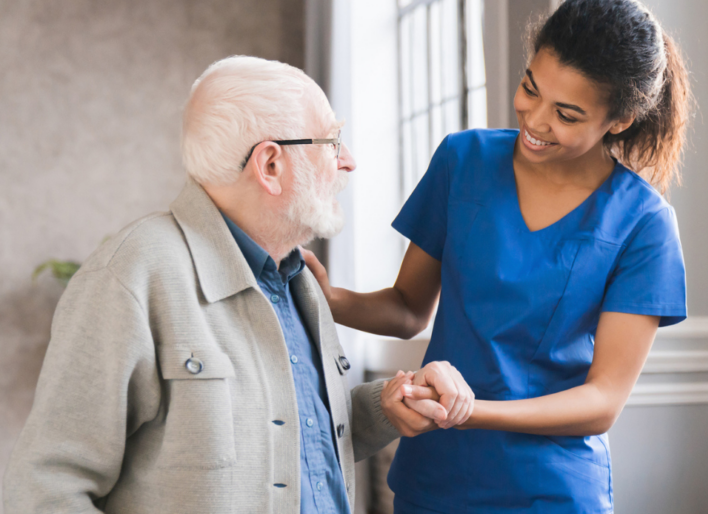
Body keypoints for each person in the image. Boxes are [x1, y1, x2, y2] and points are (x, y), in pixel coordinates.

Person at [3, 56, 473, 514]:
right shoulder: (131, 275)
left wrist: (388, 407)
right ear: (270, 165)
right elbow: (45, 490)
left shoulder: (298, 279)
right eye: (331, 141)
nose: (347, 162)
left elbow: (295, 435)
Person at [302, 0, 692, 512]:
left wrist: (471, 411)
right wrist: (326, 299)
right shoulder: (462, 160)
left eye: (567, 114)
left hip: (550, 487)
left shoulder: (645, 224)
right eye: (531, 87)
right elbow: (406, 309)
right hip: (435, 474)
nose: (534, 119)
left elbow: (601, 402)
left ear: (619, 120)